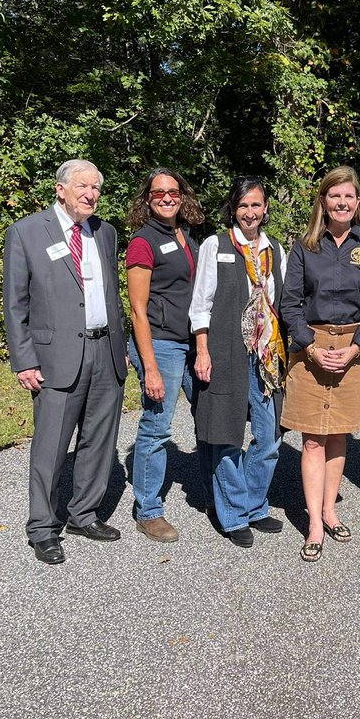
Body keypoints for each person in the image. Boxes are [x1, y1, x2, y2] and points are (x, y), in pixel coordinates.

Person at [3, 159, 127, 565]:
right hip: (55, 356)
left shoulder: (105, 232)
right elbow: (15, 303)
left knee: (99, 440)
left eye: (96, 188)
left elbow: (110, 294)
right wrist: (24, 360)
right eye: (82, 187)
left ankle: (83, 514)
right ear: (60, 189)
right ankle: (42, 528)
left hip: (105, 351)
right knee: (51, 447)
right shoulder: (26, 231)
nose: (91, 194)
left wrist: (121, 345)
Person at [280, 167, 360, 562]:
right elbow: (289, 303)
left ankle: (330, 511)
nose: (342, 203)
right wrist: (310, 347)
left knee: (339, 433)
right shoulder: (304, 248)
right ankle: (313, 523)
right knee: (313, 439)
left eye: (349, 197)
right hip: (311, 348)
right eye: (335, 196)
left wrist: (355, 348)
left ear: (358, 203)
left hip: (352, 351)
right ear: (323, 202)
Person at [189, 176, 287, 548]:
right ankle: (233, 514)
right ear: (233, 208)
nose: (249, 212)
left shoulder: (275, 249)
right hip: (225, 352)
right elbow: (201, 304)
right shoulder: (216, 245)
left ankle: (253, 504)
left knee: (269, 436)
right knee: (226, 436)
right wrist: (202, 351)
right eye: (243, 205)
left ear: (265, 208)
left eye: (256, 205)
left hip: (265, 356)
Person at [126, 168, 204, 543]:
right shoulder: (143, 242)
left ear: (182, 196)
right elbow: (138, 310)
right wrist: (151, 367)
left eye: (173, 191)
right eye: (159, 193)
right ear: (148, 199)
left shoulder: (185, 235)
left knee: (209, 417)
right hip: (161, 344)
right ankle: (149, 511)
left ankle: (217, 495)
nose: (167, 198)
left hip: (192, 343)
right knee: (157, 428)